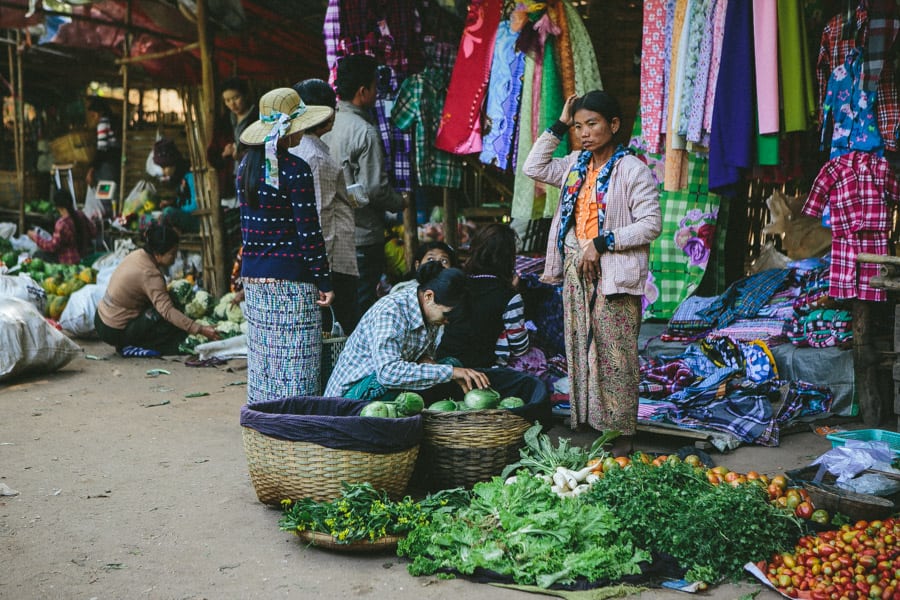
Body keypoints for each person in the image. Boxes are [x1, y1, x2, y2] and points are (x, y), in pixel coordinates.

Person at [523, 90, 662, 456]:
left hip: (614, 273)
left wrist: (602, 243)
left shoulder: (632, 169)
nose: (584, 133)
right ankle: (592, 423)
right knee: (581, 348)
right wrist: (559, 123)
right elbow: (533, 167)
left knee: (616, 353)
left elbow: (651, 224)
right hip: (576, 269)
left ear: (613, 125)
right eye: (579, 126)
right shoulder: (574, 165)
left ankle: (622, 431)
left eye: (593, 124)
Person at [237, 87, 335, 405]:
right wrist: (324, 280)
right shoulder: (296, 169)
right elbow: (309, 233)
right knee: (295, 366)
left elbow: (245, 228)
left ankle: (264, 420)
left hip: (253, 277)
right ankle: (292, 426)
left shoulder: (244, 169)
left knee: (265, 363)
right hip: (290, 280)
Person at [435, 223, 552, 427]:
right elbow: (520, 346)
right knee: (536, 359)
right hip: (483, 375)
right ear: (509, 258)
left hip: (444, 368)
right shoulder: (508, 296)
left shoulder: (455, 283)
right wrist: (513, 293)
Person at [324, 262, 490, 402]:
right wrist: (449, 372)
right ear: (429, 296)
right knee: (449, 371)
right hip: (349, 397)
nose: (447, 321)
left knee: (452, 365)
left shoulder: (430, 314)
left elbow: (421, 357)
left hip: (385, 383)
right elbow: (388, 373)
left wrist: (430, 362)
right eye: (446, 315)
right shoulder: (390, 311)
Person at [322, 54, 405, 316]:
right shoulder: (364, 131)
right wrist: (400, 201)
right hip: (362, 236)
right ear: (363, 91)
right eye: (374, 87)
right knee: (360, 308)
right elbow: (375, 190)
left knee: (337, 310)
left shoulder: (323, 126)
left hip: (328, 236)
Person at [291, 78, 360, 335]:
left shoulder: (300, 150)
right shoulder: (316, 157)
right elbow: (321, 216)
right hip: (333, 259)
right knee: (338, 330)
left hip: (322, 259)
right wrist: (322, 273)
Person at [94, 223, 220, 357]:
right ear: (158, 253)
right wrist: (200, 329)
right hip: (114, 330)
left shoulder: (138, 254)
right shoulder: (150, 274)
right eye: (172, 253)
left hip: (101, 318)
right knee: (168, 323)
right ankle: (131, 346)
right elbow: (167, 311)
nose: (174, 257)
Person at [207, 77, 257, 200]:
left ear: (245, 95)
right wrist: (224, 155)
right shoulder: (223, 122)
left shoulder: (258, 118)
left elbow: (269, 149)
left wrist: (244, 154)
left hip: (254, 179)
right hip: (230, 183)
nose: (232, 104)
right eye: (227, 100)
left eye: (236, 98)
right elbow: (212, 154)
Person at [29, 188, 96, 265]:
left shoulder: (61, 224)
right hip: (84, 256)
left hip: (68, 261)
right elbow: (93, 232)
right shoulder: (80, 215)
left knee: (37, 255)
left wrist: (35, 237)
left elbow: (52, 247)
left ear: (57, 207)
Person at [151, 138, 198, 233]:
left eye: (165, 167)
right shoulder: (179, 178)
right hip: (186, 217)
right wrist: (172, 203)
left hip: (197, 220)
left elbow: (195, 205)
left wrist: (177, 209)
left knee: (168, 213)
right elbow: (183, 200)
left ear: (173, 163)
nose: (163, 171)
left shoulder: (190, 176)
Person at [85, 96, 122, 215]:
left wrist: (91, 169)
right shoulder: (113, 121)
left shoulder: (103, 122)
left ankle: (105, 219)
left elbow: (102, 149)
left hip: (107, 165)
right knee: (112, 193)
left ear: (100, 112)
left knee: (105, 192)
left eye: (94, 114)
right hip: (115, 163)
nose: (93, 118)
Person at [388, 240, 457, 296]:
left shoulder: (456, 294)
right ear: (417, 265)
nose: (437, 264)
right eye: (430, 259)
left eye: (444, 261)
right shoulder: (402, 292)